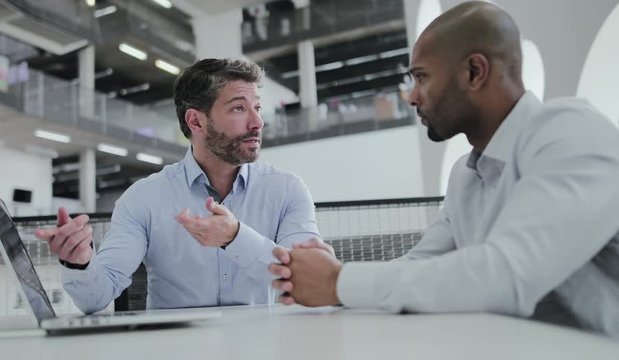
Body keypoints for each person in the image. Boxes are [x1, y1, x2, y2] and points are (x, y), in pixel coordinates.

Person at [269, 1, 619, 337]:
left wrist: (337, 282)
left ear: (474, 72)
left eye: (421, 78)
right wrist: (330, 272)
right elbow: (418, 265)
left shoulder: (571, 132)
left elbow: (505, 276)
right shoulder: (465, 176)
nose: (411, 97)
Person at [35, 58, 321, 314]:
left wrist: (235, 238)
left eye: (257, 108)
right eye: (238, 108)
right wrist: (80, 263)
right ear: (196, 121)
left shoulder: (287, 191)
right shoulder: (143, 199)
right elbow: (94, 298)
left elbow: (307, 281)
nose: (257, 122)